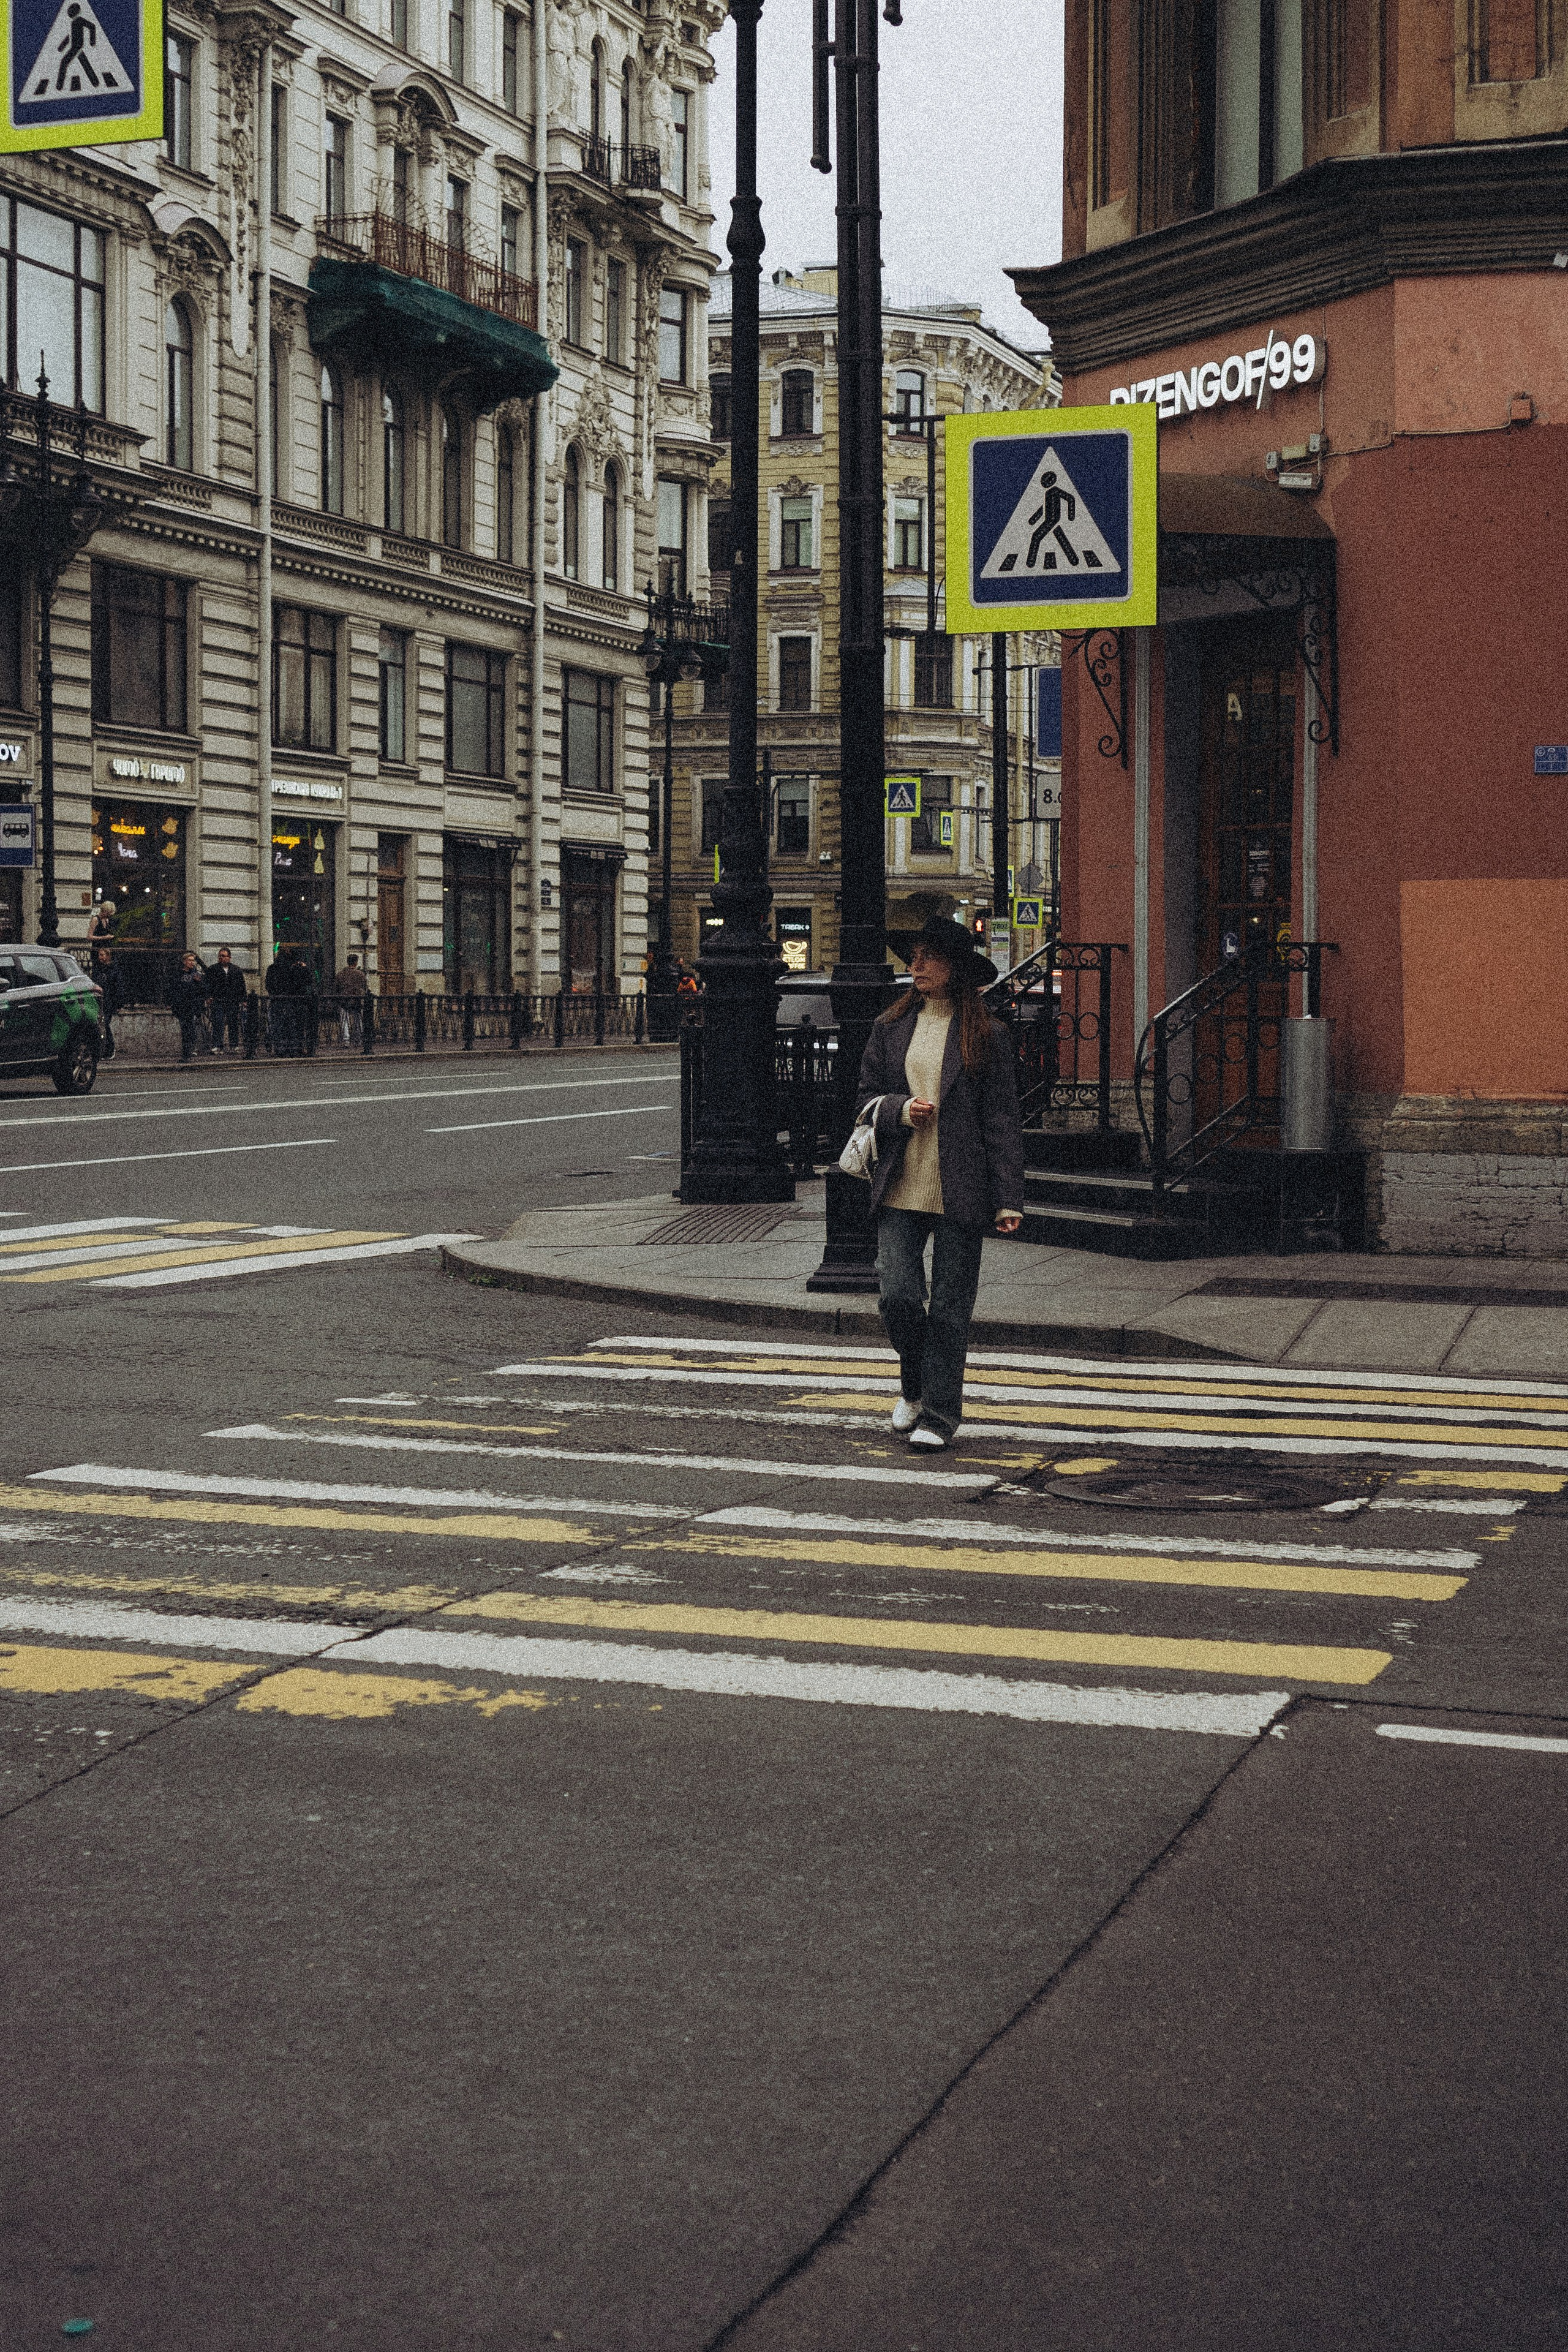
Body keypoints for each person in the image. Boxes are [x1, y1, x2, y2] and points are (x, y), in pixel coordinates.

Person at [853, 915, 1025, 1452]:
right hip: (901, 1181)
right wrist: (901, 1110)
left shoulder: (987, 1034)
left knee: (950, 1307)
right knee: (898, 1295)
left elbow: (1001, 1120)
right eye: (914, 956)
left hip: (962, 1186)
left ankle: (940, 1415)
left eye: (929, 956)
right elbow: (863, 1098)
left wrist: (1008, 1198)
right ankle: (914, 1384)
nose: (917, 964)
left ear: (955, 968)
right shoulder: (890, 1026)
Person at [264, 943, 309, 1056]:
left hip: (277, 1000)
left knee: (278, 1026)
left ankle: (280, 1049)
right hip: (294, 1002)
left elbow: (268, 985)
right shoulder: (295, 969)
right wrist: (304, 968)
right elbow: (307, 981)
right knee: (295, 1025)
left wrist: (274, 994)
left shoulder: (272, 968)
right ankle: (295, 1048)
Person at [170, 950, 209, 1063]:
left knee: (191, 1030)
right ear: (184, 962)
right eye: (190, 960)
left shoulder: (197, 975)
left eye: (193, 961)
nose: (192, 963)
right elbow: (173, 989)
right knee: (185, 1030)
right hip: (182, 1006)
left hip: (193, 1007)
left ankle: (189, 1052)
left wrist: (200, 983)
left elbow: (204, 989)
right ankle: (186, 1053)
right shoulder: (178, 974)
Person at [206, 946, 247, 1052]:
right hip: (218, 1000)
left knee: (233, 1023)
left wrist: (244, 1000)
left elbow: (242, 986)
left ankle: (234, 1045)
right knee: (218, 1023)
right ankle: (218, 1045)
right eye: (220, 956)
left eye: (224, 956)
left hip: (232, 1001)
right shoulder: (213, 969)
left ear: (229, 958)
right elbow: (208, 984)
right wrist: (209, 996)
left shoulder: (236, 970)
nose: (222, 958)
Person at [91, 944, 124, 1060]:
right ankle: (103, 1049)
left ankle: (110, 1049)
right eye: (99, 955)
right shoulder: (97, 969)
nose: (100, 957)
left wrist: (118, 1004)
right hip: (99, 1001)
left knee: (105, 1025)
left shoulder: (114, 970)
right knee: (100, 1025)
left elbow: (118, 987)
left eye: (102, 955)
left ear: (108, 956)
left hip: (109, 1001)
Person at [334, 952, 368, 1046]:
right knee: (358, 1020)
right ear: (356, 963)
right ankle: (358, 1038)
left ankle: (346, 1040)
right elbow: (365, 987)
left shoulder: (341, 974)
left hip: (344, 1000)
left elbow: (336, 988)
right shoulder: (360, 974)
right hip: (356, 1000)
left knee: (344, 1020)